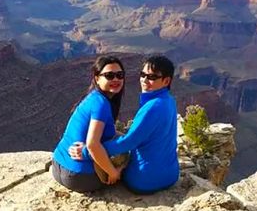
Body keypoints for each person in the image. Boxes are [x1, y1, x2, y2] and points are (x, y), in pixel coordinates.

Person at [70, 55, 179, 194]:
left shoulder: (153, 107)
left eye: (152, 77)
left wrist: (87, 152)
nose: (145, 80)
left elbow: (128, 142)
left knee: (112, 162)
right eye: (143, 74)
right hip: (171, 175)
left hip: (144, 181)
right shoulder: (169, 100)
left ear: (166, 81)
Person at [51, 55, 127, 192]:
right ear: (97, 78)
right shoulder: (101, 104)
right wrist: (114, 172)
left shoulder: (93, 97)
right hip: (80, 177)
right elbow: (93, 144)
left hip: (58, 166)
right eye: (109, 75)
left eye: (119, 75)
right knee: (130, 158)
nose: (116, 79)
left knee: (122, 142)